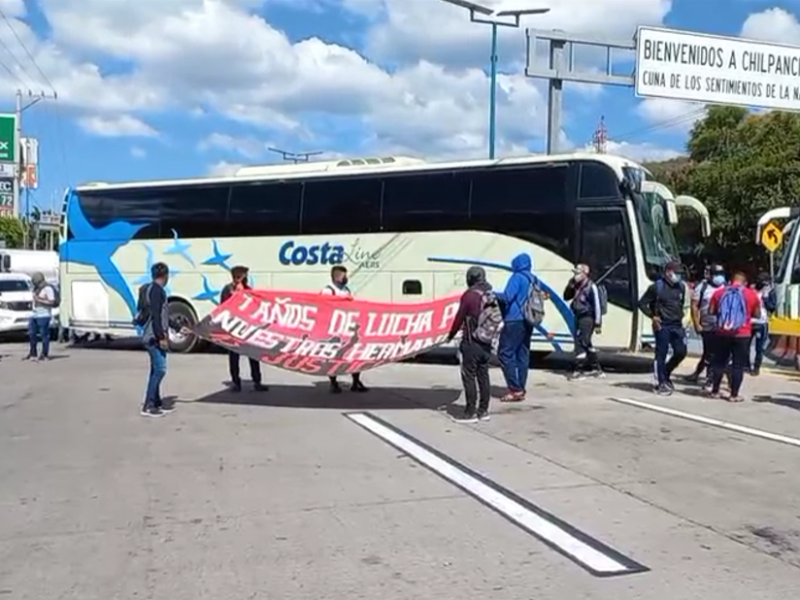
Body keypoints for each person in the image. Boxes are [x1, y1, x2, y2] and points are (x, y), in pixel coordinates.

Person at [446, 266, 498, 423]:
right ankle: (483, 411)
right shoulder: (490, 293)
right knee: (484, 376)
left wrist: (451, 335)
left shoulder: (469, 296)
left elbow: (459, 318)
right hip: (486, 342)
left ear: (470, 278)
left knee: (469, 376)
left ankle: (469, 412)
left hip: (471, 342)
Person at [637, 261, 690, 396]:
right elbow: (642, 303)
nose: (678, 276)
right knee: (661, 353)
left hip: (677, 325)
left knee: (681, 351)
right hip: (662, 325)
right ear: (668, 272)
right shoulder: (656, 287)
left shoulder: (681, 287)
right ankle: (660, 383)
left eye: (680, 274)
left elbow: (681, 304)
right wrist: (653, 317)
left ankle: (666, 372)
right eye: (676, 273)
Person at [707, 272, 761, 401]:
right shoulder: (750, 294)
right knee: (738, 365)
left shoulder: (719, 293)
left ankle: (715, 391)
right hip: (742, 334)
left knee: (719, 362)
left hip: (722, 332)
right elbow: (757, 314)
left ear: (731, 281)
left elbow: (710, 311)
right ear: (745, 282)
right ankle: (734, 395)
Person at [494, 252, 535, 402]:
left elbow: (508, 297)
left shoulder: (517, 277)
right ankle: (521, 387)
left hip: (514, 319)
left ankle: (515, 389)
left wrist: (491, 294)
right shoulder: (533, 278)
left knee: (505, 353)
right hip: (529, 320)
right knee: (522, 354)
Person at [220, 266, 268, 392]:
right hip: (233, 329)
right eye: (238, 277)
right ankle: (236, 382)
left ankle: (257, 381)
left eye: (242, 277)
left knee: (253, 355)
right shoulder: (227, 290)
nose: (240, 280)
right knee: (234, 357)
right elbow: (223, 308)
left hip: (248, 329)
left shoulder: (248, 290)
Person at [322, 265, 368, 393]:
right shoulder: (328, 290)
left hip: (347, 327)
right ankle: (333, 383)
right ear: (336, 276)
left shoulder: (346, 290)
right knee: (335, 357)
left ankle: (356, 381)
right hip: (335, 330)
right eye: (343, 275)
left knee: (354, 354)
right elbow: (324, 308)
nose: (346, 277)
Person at [138, 262, 172, 417]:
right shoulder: (157, 291)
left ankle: (156, 401)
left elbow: (163, 316)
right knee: (160, 369)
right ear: (165, 276)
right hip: (153, 336)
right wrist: (161, 337)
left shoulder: (152, 289)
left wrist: (177, 326)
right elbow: (157, 317)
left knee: (155, 369)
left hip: (150, 335)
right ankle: (149, 404)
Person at [686, 264, 726, 386]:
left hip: (722, 327)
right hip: (706, 326)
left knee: (713, 353)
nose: (719, 277)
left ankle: (705, 375)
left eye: (721, 274)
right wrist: (696, 323)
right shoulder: (702, 287)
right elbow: (694, 306)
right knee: (710, 352)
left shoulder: (726, 287)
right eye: (716, 274)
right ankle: (708, 377)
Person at [563, 264, 603, 380]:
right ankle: (596, 369)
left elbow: (597, 306)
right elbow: (566, 297)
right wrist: (571, 284)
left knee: (580, 343)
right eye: (575, 273)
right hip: (577, 316)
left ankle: (578, 371)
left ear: (585, 273)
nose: (576, 275)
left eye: (578, 273)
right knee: (586, 343)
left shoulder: (591, 286)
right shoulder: (575, 285)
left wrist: (598, 323)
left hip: (587, 318)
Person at [24, 272, 58, 361]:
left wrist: (39, 300)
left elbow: (51, 302)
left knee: (44, 335)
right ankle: (33, 353)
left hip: (44, 315)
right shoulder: (36, 288)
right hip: (34, 314)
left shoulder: (48, 288)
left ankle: (44, 354)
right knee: (32, 334)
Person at [750, 272, 776, 376]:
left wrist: (765, 298)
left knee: (759, 348)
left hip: (762, 322)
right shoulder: (752, 290)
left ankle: (756, 368)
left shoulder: (771, 292)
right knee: (745, 345)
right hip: (750, 322)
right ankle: (745, 365)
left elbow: (772, 307)